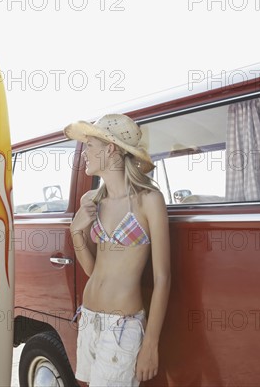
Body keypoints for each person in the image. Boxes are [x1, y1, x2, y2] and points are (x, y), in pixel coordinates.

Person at [64, 114, 171, 386]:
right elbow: (92, 270)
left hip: (122, 327)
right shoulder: (90, 199)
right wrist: (76, 231)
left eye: (89, 145)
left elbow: (163, 279)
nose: (84, 153)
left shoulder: (149, 200)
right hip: (88, 318)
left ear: (110, 149)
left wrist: (150, 344)